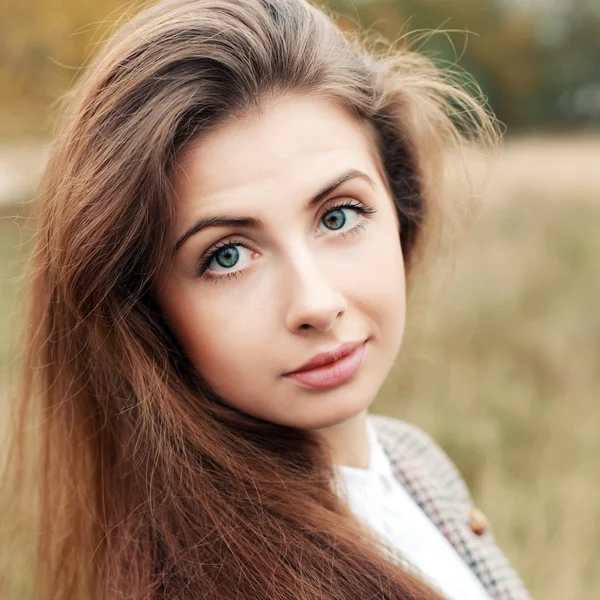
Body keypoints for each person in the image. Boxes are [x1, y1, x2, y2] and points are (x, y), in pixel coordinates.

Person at [1, 0, 531, 599]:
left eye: (339, 215)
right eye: (227, 254)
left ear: (400, 203)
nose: (316, 301)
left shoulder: (415, 462)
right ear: (147, 312)